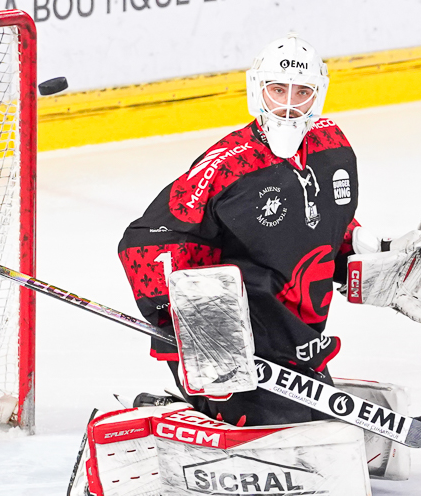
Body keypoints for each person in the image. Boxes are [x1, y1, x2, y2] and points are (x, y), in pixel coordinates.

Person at [117, 33, 359, 427]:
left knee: (321, 429)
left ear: (320, 94)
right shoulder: (228, 166)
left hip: (296, 343)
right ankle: (185, 408)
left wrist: (372, 254)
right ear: (257, 90)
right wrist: (200, 328)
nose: (287, 105)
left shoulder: (332, 146)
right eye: (277, 90)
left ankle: (183, 408)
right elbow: (147, 241)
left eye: (302, 92)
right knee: (287, 436)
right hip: (231, 350)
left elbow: (331, 224)